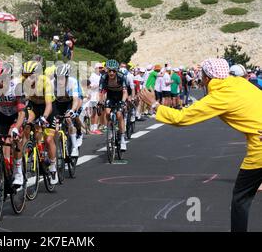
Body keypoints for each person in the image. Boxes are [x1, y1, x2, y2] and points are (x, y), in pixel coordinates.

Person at [140, 58, 262, 232]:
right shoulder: (240, 83)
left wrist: (154, 105)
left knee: (241, 198)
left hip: (259, 150)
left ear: (206, 77)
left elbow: (181, 118)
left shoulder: (219, 96)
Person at [0, 61, 26, 186]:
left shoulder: (16, 87)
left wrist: (16, 128)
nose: (0, 82)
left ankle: (18, 170)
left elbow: (22, 113)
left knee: (12, 139)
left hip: (16, 116)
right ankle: (0, 168)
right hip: (2, 116)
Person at [22, 60, 58, 185]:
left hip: (48, 107)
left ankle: (53, 166)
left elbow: (49, 105)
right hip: (34, 106)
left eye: (30, 75)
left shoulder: (45, 82)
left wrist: (44, 117)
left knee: (48, 139)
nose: (27, 78)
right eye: (25, 75)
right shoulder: (23, 81)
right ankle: (26, 153)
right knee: (26, 125)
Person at [99, 59, 128, 151]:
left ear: (117, 71)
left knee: (119, 114)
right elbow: (101, 92)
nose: (111, 73)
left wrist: (123, 102)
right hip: (110, 96)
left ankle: (122, 139)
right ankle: (110, 129)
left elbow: (125, 92)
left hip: (120, 96)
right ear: (107, 70)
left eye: (113, 71)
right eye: (109, 70)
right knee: (107, 112)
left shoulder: (121, 76)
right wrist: (100, 101)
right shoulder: (104, 77)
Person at [89, 63, 103, 134]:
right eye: (99, 68)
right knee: (94, 113)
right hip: (93, 96)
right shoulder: (92, 76)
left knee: (97, 112)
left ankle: (94, 128)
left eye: (101, 68)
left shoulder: (101, 76)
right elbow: (90, 87)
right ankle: (93, 128)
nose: (100, 69)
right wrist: (98, 85)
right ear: (96, 68)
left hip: (98, 96)